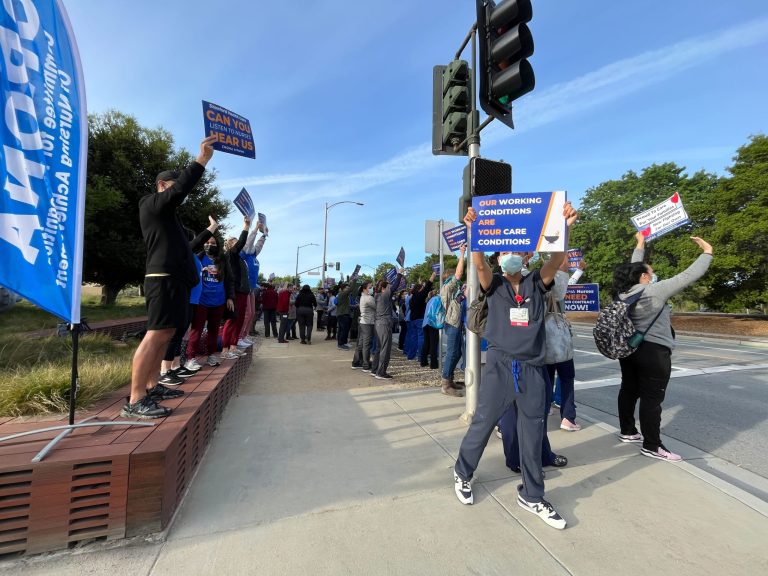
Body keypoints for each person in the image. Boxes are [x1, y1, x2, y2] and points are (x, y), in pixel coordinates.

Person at [453, 202, 577, 531]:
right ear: (499, 258)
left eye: (519, 252)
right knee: (483, 422)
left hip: (534, 368)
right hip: (499, 366)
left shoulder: (538, 282)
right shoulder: (493, 285)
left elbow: (556, 259)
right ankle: (462, 472)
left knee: (533, 432)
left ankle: (532, 495)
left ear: (526, 257)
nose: (513, 256)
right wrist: (473, 228)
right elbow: (477, 264)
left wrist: (566, 227)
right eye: (505, 251)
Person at [123, 135, 216, 419]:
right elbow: (179, 192)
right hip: (162, 279)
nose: (178, 194)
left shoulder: (169, 220)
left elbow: (188, 248)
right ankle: (136, 398)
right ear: (162, 186)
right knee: (156, 334)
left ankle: (152, 386)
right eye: (173, 187)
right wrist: (200, 161)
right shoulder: (150, 204)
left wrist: (209, 232)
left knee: (165, 335)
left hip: (174, 280)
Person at [614, 232, 713, 461]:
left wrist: (640, 244)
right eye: (649, 271)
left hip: (629, 349)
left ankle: (628, 431)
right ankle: (652, 444)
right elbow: (689, 275)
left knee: (628, 389)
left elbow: (633, 267)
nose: (652, 273)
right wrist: (707, 252)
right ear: (643, 276)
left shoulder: (623, 292)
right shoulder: (654, 291)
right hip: (654, 352)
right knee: (652, 398)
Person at [159, 216, 219, 382]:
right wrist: (212, 228)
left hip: (192, 300)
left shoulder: (193, 257)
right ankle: (165, 371)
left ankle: (176, 366)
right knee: (174, 334)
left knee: (179, 335)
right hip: (183, 298)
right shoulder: (184, 252)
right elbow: (198, 242)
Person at [186, 235, 235, 366]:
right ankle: (191, 358)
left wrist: (230, 297)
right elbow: (189, 275)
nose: (209, 245)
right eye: (207, 242)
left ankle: (211, 355)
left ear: (217, 245)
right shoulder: (198, 257)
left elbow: (229, 279)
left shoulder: (223, 259)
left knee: (214, 329)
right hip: (201, 300)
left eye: (212, 243)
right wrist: (199, 272)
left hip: (219, 300)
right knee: (197, 328)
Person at [221, 218, 251, 360]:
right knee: (231, 320)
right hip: (235, 292)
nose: (235, 242)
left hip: (243, 292)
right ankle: (225, 349)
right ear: (228, 245)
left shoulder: (240, 259)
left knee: (239, 320)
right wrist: (246, 227)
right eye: (232, 241)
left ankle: (233, 346)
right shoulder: (230, 255)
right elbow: (241, 243)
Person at [440, 244, 467, 397]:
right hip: (452, 323)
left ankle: (450, 380)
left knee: (456, 353)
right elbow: (458, 273)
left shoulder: (453, 289)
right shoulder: (448, 287)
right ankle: (445, 384)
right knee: (451, 353)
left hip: (456, 323)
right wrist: (462, 254)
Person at [370, 270, 402, 379]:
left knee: (379, 348)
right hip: (384, 324)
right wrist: (399, 274)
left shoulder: (377, 296)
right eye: (388, 286)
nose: (390, 288)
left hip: (378, 324)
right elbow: (395, 286)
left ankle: (374, 370)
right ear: (384, 288)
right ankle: (381, 372)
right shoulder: (384, 295)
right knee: (385, 349)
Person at [238, 223, 267, 344]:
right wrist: (255, 229)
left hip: (252, 288)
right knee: (246, 313)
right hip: (244, 288)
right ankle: (239, 337)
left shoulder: (254, 256)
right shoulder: (243, 254)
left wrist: (264, 235)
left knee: (252, 313)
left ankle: (244, 336)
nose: (254, 246)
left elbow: (259, 245)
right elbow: (249, 242)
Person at [407, 273, 435, 360]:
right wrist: (433, 276)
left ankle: (411, 355)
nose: (423, 289)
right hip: (419, 319)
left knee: (413, 337)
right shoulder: (419, 296)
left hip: (412, 319)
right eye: (421, 288)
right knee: (421, 337)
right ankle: (420, 357)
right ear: (419, 289)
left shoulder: (412, 297)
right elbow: (427, 287)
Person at [352, 281, 375, 371]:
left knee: (361, 344)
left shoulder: (363, 297)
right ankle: (366, 365)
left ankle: (356, 362)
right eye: (370, 287)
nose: (372, 288)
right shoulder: (369, 298)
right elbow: (378, 307)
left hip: (363, 322)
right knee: (366, 344)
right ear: (364, 288)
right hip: (368, 323)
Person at [421, 290, 442, 369]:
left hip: (425, 323)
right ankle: (433, 364)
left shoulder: (429, 301)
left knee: (426, 343)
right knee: (434, 344)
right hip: (432, 323)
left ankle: (423, 361)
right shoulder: (437, 299)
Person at [336, 278, 359, 350]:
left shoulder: (343, 295)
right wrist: (353, 280)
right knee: (344, 330)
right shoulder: (342, 294)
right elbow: (351, 289)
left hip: (343, 314)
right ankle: (341, 344)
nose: (348, 289)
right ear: (343, 289)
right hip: (343, 314)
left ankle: (343, 343)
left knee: (343, 330)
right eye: (347, 288)